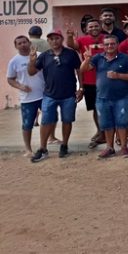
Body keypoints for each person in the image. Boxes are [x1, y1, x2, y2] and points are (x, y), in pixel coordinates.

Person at [28, 29, 83, 163]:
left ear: (61, 39)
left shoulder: (71, 54)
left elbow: (79, 70)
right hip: (49, 95)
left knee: (67, 120)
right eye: (51, 39)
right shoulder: (44, 56)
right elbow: (31, 72)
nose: (54, 41)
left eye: (57, 38)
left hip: (69, 95)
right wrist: (32, 61)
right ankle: (42, 148)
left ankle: (64, 145)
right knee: (46, 121)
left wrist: (81, 88)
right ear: (48, 41)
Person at [80, 35, 128, 158]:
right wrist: (86, 59)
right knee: (107, 124)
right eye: (107, 44)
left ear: (117, 44)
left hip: (121, 97)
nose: (109, 46)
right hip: (102, 98)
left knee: (122, 123)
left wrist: (118, 76)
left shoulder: (126, 59)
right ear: (103, 46)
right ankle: (109, 148)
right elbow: (83, 70)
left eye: (112, 44)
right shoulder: (97, 58)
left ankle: (124, 147)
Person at [66, 18, 105, 148]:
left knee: (107, 107)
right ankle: (100, 131)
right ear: (86, 29)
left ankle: (108, 132)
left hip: (107, 80)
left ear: (100, 27)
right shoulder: (82, 40)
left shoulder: (108, 38)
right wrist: (70, 36)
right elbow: (72, 45)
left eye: (96, 26)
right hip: (89, 80)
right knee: (95, 108)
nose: (94, 28)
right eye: (91, 27)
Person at [7, 36, 45, 156]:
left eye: (24, 42)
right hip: (27, 98)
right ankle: (28, 149)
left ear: (29, 43)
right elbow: (10, 79)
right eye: (19, 43)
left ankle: (48, 142)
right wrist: (20, 87)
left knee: (49, 120)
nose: (23, 45)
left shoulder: (41, 55)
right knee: (27, 124)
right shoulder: (14, 61)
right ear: (16, 46)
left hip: (45, 95)